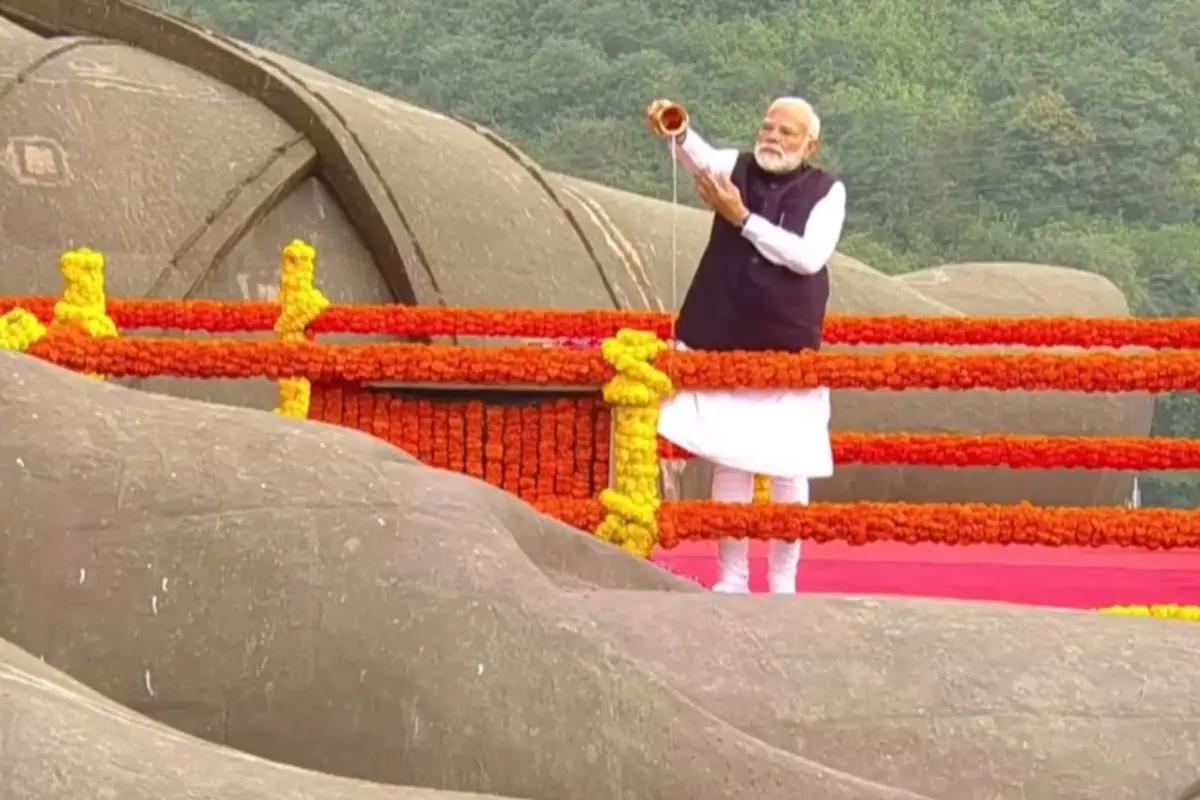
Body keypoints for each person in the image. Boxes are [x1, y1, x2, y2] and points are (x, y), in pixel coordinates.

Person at [645, 96, 847, 595]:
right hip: (726, 334)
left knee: (788, 468)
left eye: (787, 132)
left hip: (787, 344)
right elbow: (699, 156)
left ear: (810, 143)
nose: (773, 138)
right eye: (768, 127)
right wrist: (678, 128)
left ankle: (783, 580)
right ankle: (732, 576)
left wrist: (743, 219)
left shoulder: (828, 191)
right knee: (729, 459)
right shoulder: (736, 167)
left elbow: (807, 257)